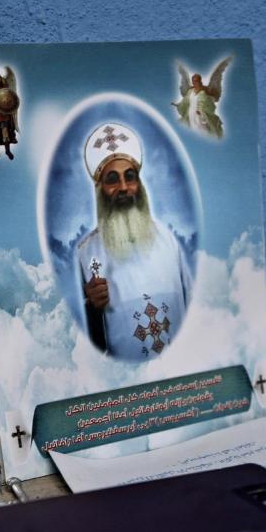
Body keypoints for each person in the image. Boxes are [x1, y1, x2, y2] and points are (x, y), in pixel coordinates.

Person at [76, 123, 192, 360]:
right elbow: (88, 342)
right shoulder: (86, 253)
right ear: (99, 189)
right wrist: (89, 304)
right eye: (112, 179)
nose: (123, 187)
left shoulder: (168, 240)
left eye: (130, 177)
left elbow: (192, 306)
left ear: (139, 184)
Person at [173, 57, 231, 138]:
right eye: (193, 81)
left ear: (200, 81)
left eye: (196, 81)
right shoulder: (190, 90)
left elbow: (210, 103)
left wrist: (201, 111)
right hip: (190, 114)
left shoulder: (206, 90)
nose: (194, 82)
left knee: (203, 132)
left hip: (201, 116)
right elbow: (185, 101)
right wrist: (177, 104)